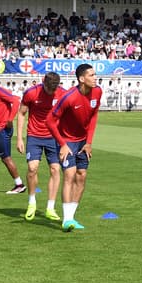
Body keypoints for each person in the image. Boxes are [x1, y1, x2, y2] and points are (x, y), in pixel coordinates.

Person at [47, 63, 102, 232]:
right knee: (69, 174)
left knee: (81, 175)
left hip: (82, 141)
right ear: (81, 79)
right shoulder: (69, 97)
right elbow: (49, 121)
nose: (95, 78)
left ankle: (71, 217)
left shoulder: (98, 91)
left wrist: (89, 142)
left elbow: (93, 116)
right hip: (66, 141)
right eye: (91, 75)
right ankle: (66, 219)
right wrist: (62, 144)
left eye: (95, 74)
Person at [16, 72, 67, 221]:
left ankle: (50, 208)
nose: (51, 92)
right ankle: (32, 203)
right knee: (32, 168)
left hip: (54, 137)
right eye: (48, 89)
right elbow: (21, 114)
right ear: (43, 82)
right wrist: (19, 138)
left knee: (55, 169)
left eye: (53, 90)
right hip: (34, 135)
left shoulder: (63, 94)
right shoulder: (31, 93)